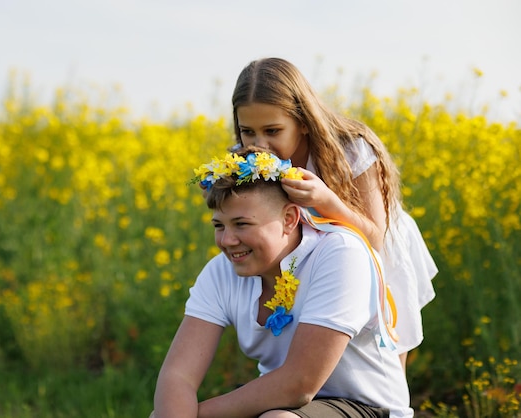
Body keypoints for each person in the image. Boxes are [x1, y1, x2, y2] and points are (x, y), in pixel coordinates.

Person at [152, 146, 412, 417]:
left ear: (289, 219)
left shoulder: (340, 253)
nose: (227, 241)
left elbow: (300, 385)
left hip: (366, 407)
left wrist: (197, 415)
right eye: (219, 226)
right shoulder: (222, 271)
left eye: (242, 224)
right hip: (280, 403)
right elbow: (178, 376)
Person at [230, 57, 437, 367]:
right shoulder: (246, 159)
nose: (260, 146)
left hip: (378, 251)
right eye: (248, 132)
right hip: (317, 256)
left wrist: (328, 202)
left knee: (385, 348)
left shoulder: (350, 149)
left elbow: (376, 237)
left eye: (273, 131)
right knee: (326, 350)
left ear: (302, 121)